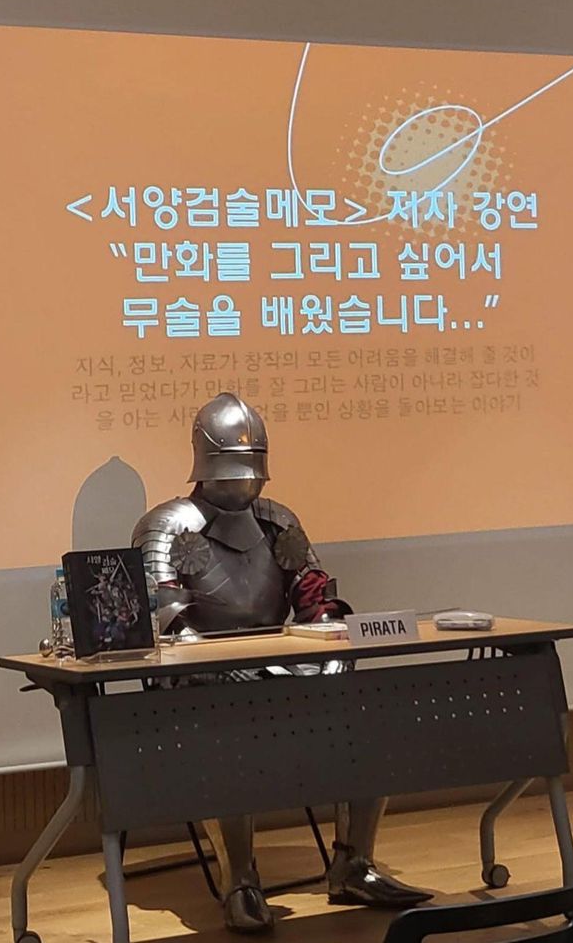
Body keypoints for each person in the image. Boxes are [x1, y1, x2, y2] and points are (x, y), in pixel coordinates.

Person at [132, 392, 432, 933]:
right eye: (234, 466)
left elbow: (315, 595)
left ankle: (354, 864)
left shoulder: (276, 520)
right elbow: (167, 621)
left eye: (253, 469)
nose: (247, 481)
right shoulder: (167, 525)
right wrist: (226, 666)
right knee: (229, 731)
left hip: (281, 677)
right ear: (206, 461)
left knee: (369, 721)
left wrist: (332, 649)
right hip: (196, 689)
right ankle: (240, 879)